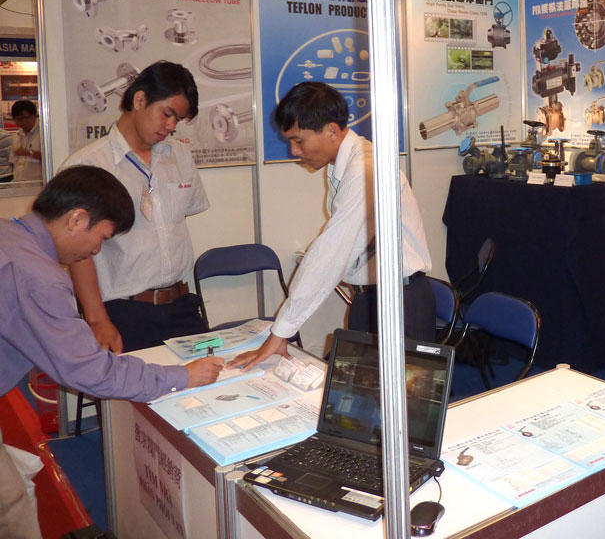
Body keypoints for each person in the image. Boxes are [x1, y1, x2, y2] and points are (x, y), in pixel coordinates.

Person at [0, 166, 223, 539]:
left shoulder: (9, 233)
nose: (96, 250)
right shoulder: (39, 277)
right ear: (77, 218)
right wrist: (183, 375)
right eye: (102, 237)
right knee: (10, 507)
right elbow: (91, 372)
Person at [229, 82, 432, 370]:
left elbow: (331, 252)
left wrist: (281, 332)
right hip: (368, 298)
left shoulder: (366, 169)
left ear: (331, 131)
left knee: (403, 395)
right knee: (358, 392)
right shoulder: (343, 164)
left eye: (299, 141)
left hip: (400, 302)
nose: (294, 151)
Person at [61, 61, 210, 353]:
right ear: (140, 100)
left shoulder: (179, 155)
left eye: (178, 120)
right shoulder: (89, 165)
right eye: (167, 114)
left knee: (208, 379)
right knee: (131, 385)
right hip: (124, 312)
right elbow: (78, 253)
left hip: (181, 306)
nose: (171, 126)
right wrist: (97, 319)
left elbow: (176, 223)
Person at [11, 100, 42, 182]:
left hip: (38, 184)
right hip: (19, 183)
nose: (24, 122)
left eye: (27, 117)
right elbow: (14, 162)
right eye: (19, 119)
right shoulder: (16, 136)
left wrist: (29, 153)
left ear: (35, 116)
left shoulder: (44, 134)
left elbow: (52, 158)